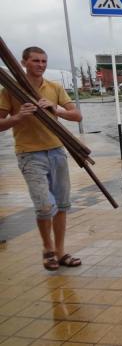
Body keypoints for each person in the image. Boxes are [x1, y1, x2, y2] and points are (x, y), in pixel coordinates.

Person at [0, 46, 83, 271]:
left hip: (57, 152)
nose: (41, 65)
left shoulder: (54, 87)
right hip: (29, 154)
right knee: (45, 206)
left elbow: (76, 116)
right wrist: (18, 117)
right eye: (35, 61)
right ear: (24, 62)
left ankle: (60, 251)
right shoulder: (11, 90)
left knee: (63, 205)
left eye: (44, 61)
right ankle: (48, 249)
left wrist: (56, 110)